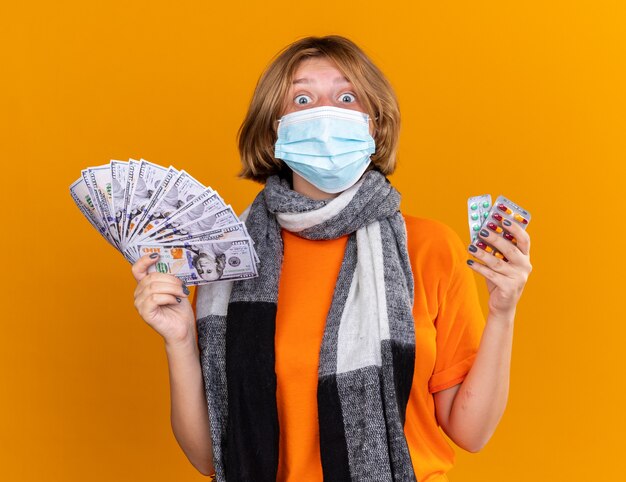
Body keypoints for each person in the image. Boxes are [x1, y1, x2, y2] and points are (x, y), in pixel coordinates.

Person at [131, 35, 532, 481]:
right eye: (302, 98)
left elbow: (470, 432)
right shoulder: (228, 259)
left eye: (347, 97)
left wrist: (503, 312)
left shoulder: (430, 247)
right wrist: (180, 339)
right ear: (274, 130)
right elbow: (209, 456)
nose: (326, 114)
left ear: (374, 125)